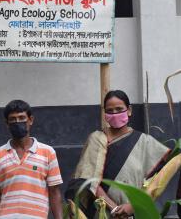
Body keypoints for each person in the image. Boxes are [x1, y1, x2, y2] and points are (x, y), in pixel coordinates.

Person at [65, 90, 170, 218]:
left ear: (129, 110)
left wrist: (133, 207)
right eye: (110, 110)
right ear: (105, 114)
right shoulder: (96, 139)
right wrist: (114, 208)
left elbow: (156, 181)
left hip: (134, 213)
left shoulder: (144, 142)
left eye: (119, 109)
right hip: (103, 212)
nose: (115, 114)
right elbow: (90, 180)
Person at [0, 100, 63, 219]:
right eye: (13, 119)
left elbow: (54, 192)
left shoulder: (48, 152)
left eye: (22, 117)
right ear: (7, 123)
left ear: (30, 120)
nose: (17, 122)